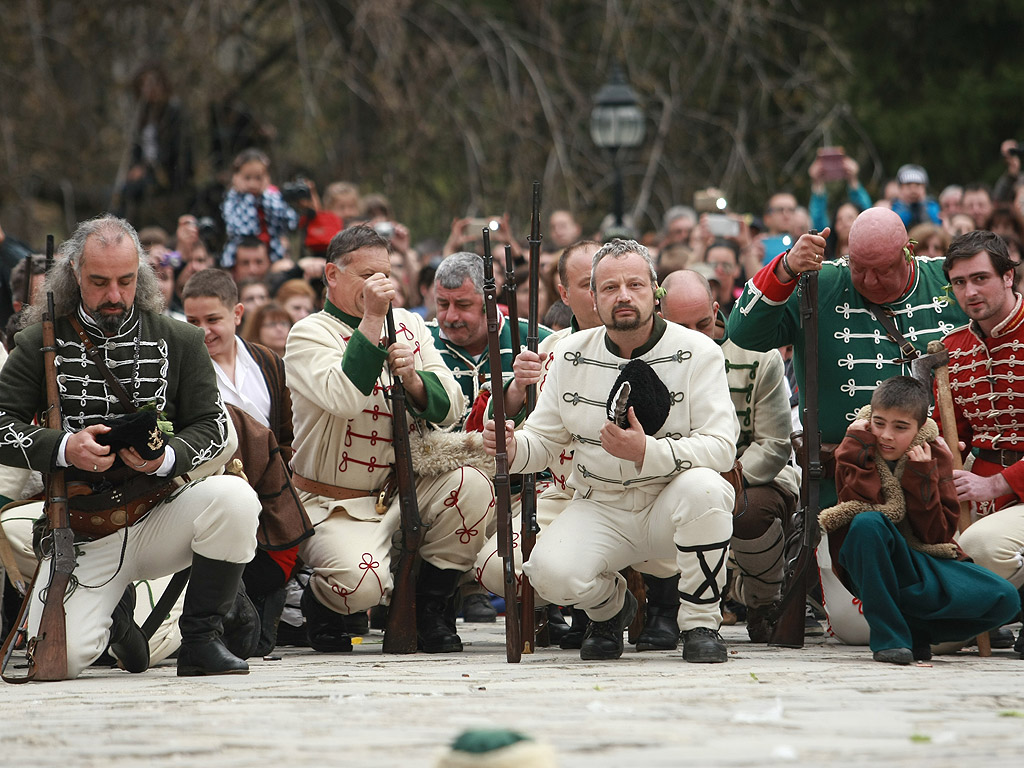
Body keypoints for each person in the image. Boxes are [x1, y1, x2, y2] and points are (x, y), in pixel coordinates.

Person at [0, 214, 260, 677]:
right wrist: (63, 449)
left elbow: (215, 426)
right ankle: (120, 625)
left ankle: (202, 641)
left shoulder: (179, 339)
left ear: (139, 274)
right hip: (84, 528)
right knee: (58, 664)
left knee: (236, 500)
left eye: (124, 280)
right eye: (99, 282)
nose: (114, 295)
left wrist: (167, 456)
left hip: (161, 513)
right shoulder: (38, 341)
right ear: (75, 273)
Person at [484, 239, 739, 663]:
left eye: (635, 285)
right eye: (609, 288)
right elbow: (545, 443)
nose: (623, 296)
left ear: (655, 293)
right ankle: (611, 610)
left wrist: (646, 451)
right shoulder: (568, 355)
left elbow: (721, 448)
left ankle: (700, 625)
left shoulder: (700, 352)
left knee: (707, 490)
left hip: (669, 500)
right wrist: (511, 448)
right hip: (600, 504)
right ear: (593, 298)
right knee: (547, 574)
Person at [726, 206, 968, 640]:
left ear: (908, 253)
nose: (871, 282)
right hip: (847, 479)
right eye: (861, 269)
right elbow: (744, 332)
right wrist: (784, 268)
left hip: (939, 472)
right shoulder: (823, 282)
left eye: (883, 270)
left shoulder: (946, 280)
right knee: (859, 629)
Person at [283, 225, 493, 654]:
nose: (379, 285)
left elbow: (452, 404)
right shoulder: (308, 333)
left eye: (385, 274)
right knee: (361, 586)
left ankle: (430, 608)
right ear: (332, 275)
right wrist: (374, 322)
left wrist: (414, 379)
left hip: (408, 485)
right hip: (335, 501)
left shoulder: (412, 325)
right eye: (366, 276)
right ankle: (325, 606)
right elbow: (342, 398)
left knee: (474, 488)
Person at [820, 376, 1019, 664]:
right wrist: (855, 448)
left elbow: (936, 534)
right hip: (868, 563)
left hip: (921, 558)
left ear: (917, 428)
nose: (886, 435)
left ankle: (915, 632)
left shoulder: (933, 454)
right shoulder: (857, 446)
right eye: (879, 423)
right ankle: (889, 638)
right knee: (868, 523)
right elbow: (860, 505)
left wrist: (920, 477)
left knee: (1005, 598)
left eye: (900, 427)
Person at [660, 269, 801, 642]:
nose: (695, 335)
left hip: (748, 475)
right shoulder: (652, 355)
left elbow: (773, 445)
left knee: (749, 512)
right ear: (660, 317)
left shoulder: (760, 355)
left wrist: (728, 478)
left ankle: (763, 600)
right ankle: (664, 605)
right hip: (672, 470)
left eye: (703, 323)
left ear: (717, 308)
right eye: (682, 326)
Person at [182, 268, 308, 655]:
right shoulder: (183, 370)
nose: (203, 331)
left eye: (213, 320)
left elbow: (287, 436)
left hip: (269, 498)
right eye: (192, 322)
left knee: (261, 637)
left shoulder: (268, 363)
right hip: (212, 500)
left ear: (237, 313)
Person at [427, 250, 554, 622]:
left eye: (463, 305)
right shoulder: (423, 344)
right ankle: (450, 591)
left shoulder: (537, 340)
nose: (450, 316)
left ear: (489, 301)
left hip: (521, 487)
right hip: (447, 487)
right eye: (442, 304)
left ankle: (542, 603)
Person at [938, 230, 1024, 652]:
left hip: (1009, 489)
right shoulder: (953, 349)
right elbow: (951, 436)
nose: (969, 292)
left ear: (1008, 276)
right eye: (959, 282)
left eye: (980, 278)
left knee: (981, 545)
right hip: (979, 491)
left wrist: (998, 484)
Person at [221, 148, 299, 269]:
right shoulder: (233, 199)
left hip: (273, 255)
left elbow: (291, 222)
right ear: (236, 178)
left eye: (258, 178)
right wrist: (248, 197)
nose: (253, 184)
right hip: (243, 257)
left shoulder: (272, 195)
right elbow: (243, 229)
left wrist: (265, 195)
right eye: (247, 178)